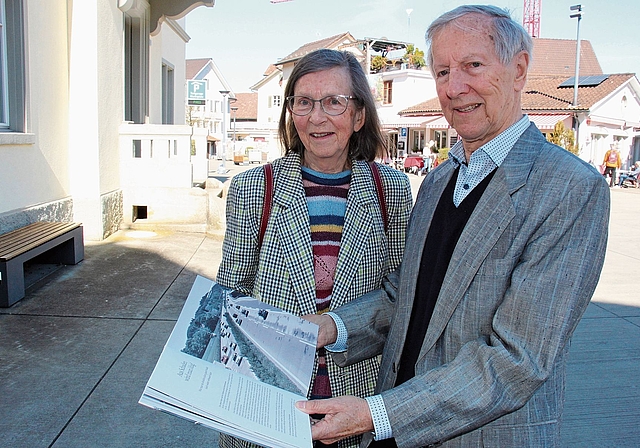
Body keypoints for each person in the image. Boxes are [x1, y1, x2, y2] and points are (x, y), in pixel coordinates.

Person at [295, 6, 610, 447]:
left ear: (518, 69)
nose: (455, 88)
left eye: (473, 66)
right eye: (442, 72)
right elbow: (406, 294)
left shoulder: (569, 189)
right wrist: (330, 328)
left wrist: (376, 414)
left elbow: (517, 359)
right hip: (395, 428)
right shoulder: (439, 179)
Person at [216, 49, 413, 448]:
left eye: (333, 102)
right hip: (270, 400)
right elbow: (230, 295)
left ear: (358, 116)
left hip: (355, 396)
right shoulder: (255, 189)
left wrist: (336, 326)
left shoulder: (390, 189)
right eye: (303, 102)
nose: (317, 117)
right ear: (290, 112)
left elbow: (401, 294)